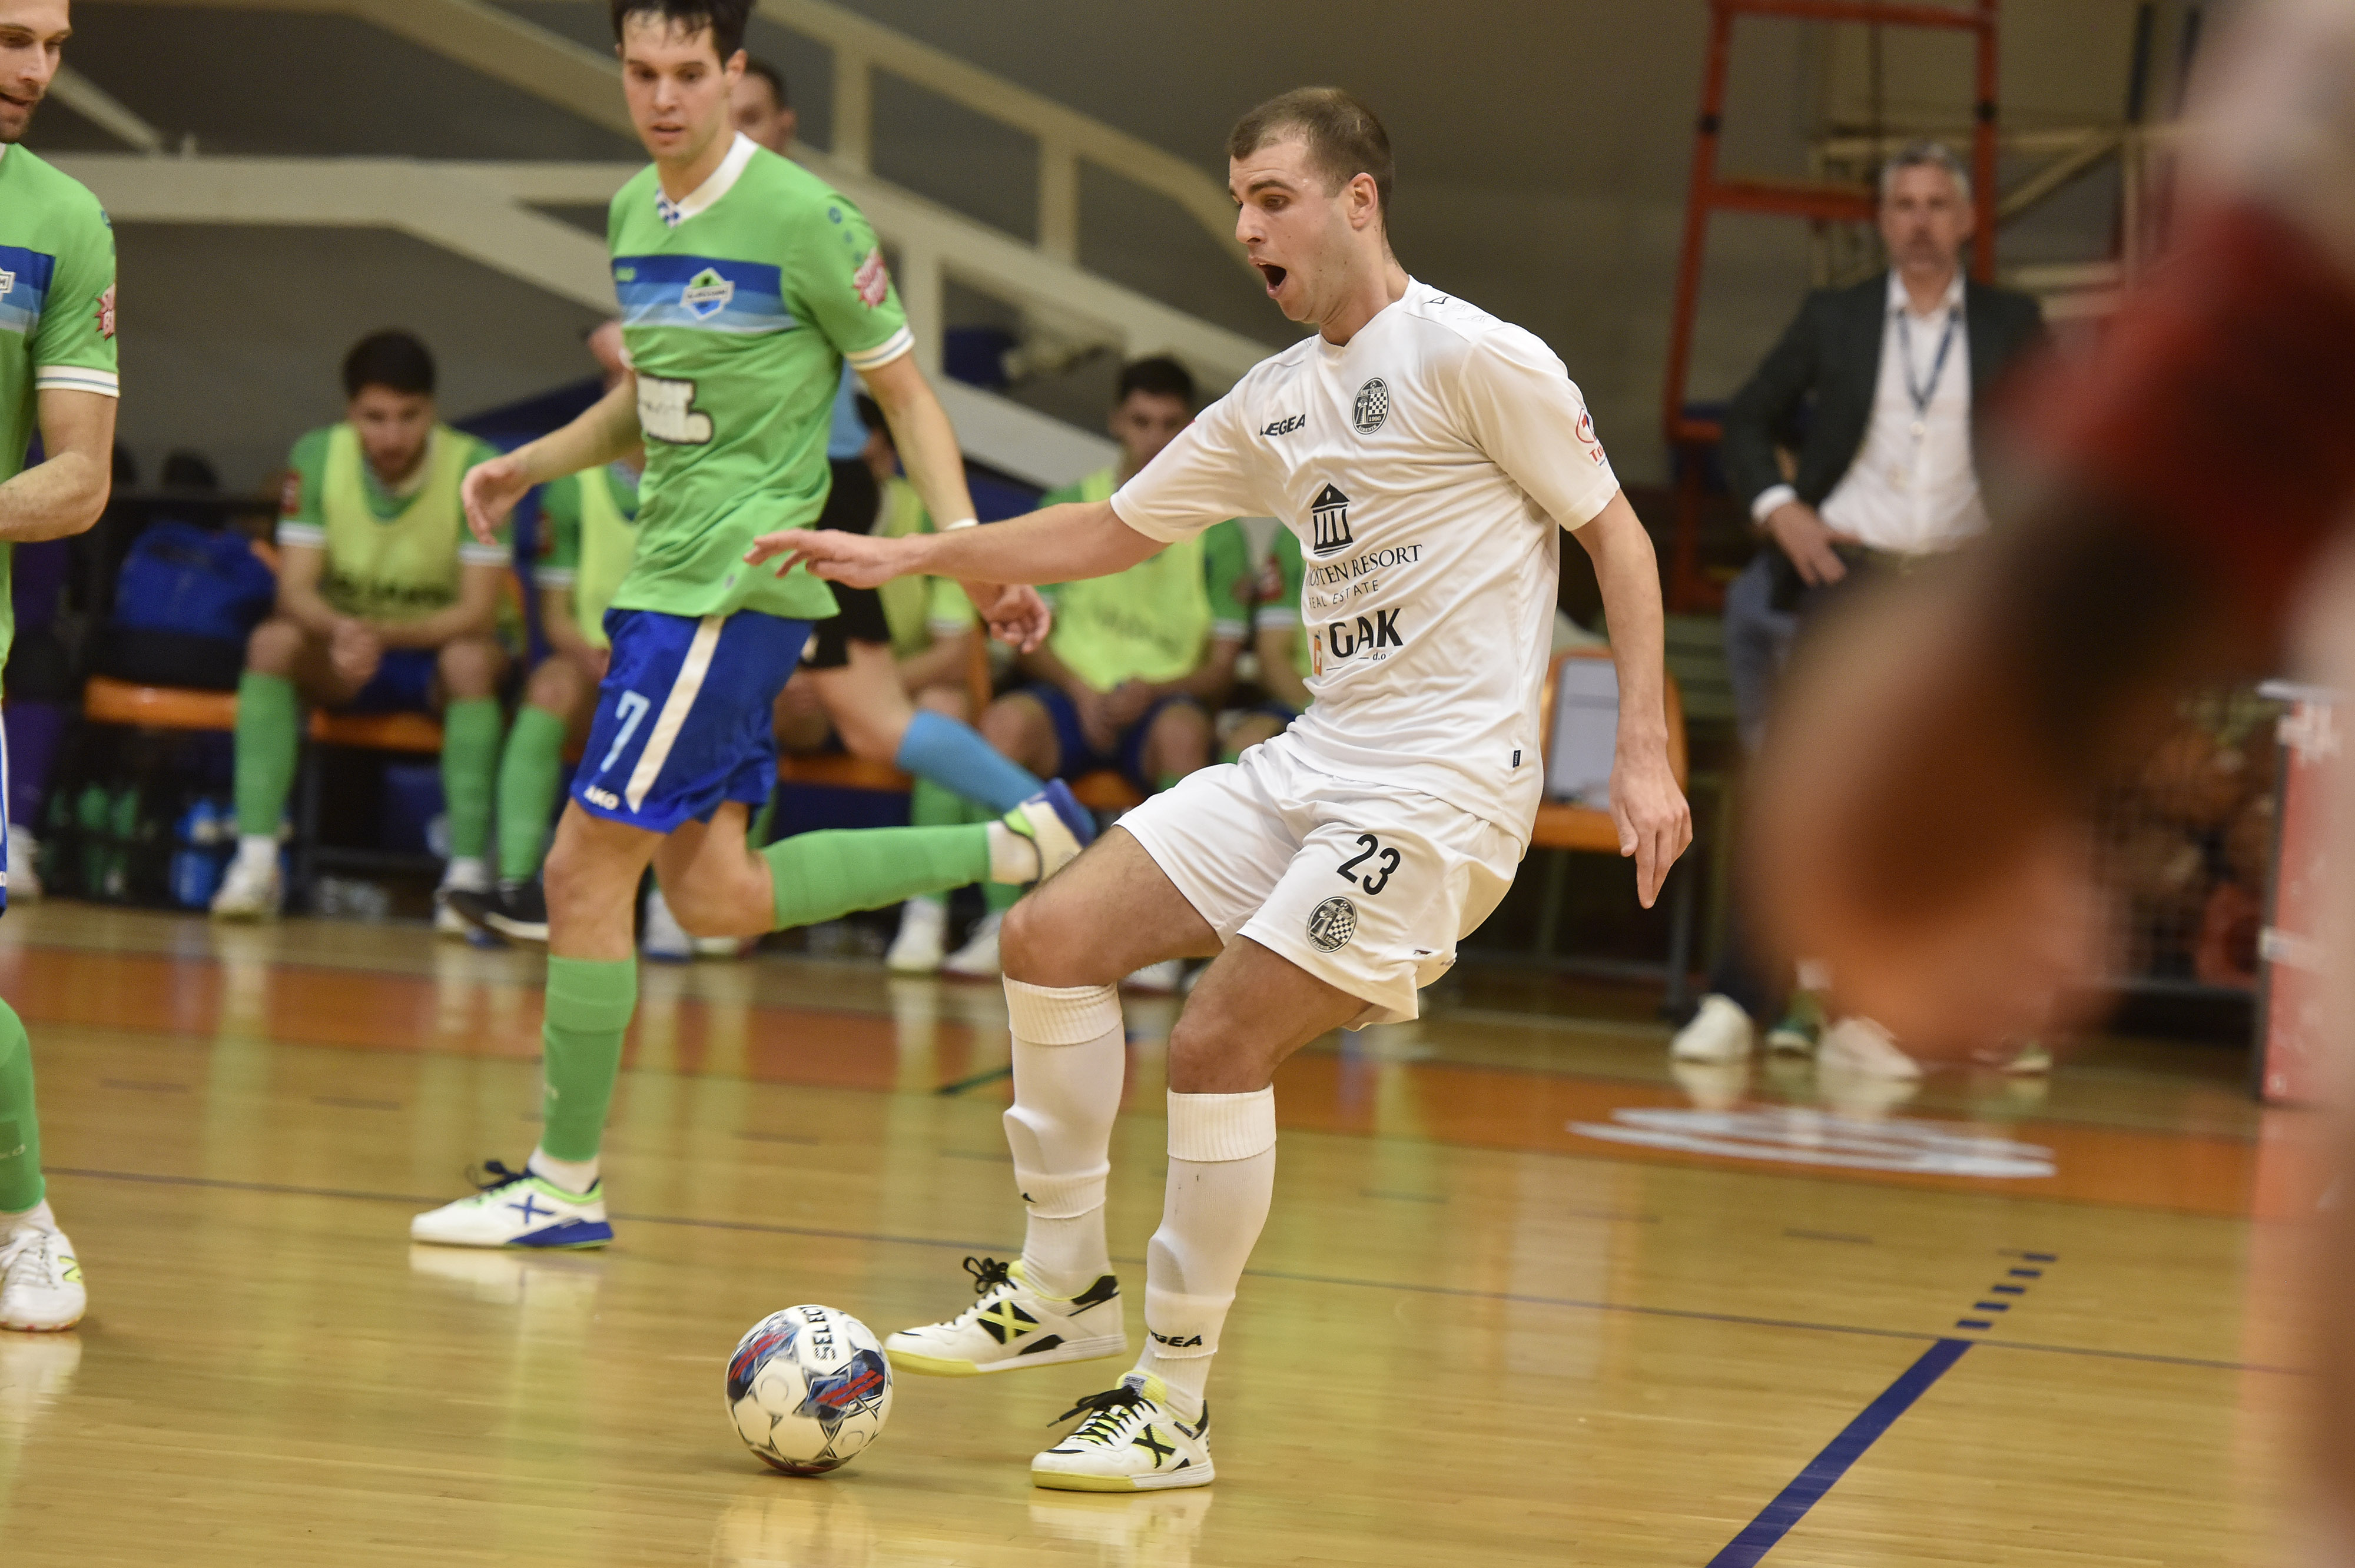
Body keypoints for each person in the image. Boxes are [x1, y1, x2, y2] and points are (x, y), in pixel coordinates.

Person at [753, 87, 1689, 1491]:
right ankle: (1061, 1285)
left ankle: (1171, 1406)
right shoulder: (1273, 399)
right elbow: (1109, 528)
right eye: (1238, 202)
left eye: (1272, 199)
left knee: (1214, 1039)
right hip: (1318, 760)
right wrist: (913, 556)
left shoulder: (1476, 358)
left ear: (1356, 201)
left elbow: (1618, 541)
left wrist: (1643, 749)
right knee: (1047, 938)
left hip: (1438, 792)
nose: (1247, 227)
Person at [1733, 0, 2355, 1530]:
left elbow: (2090, 577)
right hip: (1878, 580)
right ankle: (1766, 996)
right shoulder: (1835, 323)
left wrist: (1967, 779)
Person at [408, 0, 1086, 1251]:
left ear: (732, 74)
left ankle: (563, 1182)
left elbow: (909, 400)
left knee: (579, 872)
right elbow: (649, 401)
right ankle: (1017, 846)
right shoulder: (633, 212)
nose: (663, 98)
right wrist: (529, 463)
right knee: (715, 895)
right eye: (641, 73)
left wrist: (969, 557)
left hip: (729, 593)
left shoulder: (808, 221)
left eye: (687, 73)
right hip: (664, 586)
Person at [1671, 141, 2046, 1081]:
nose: (1920, 221)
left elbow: (2059, 443)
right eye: (1904, 204)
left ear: (1967, 221)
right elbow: (1746, 420)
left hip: (1959, 588)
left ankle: (1872, 1017)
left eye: (1937, 204)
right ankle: (1737, 998)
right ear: (1882, 221)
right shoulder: (1835, 317)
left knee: (1929, 801)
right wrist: (1780, 510)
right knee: (1800, 789)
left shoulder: (2011, 324)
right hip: (1850, 574)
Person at [935, 356, 1255, 989]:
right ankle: (996, 922)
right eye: (1140, 421)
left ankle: (1159, 944)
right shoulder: (1066, 505)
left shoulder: (1219, 531)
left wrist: (1153, 691)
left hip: (1160, 707)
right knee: (1002, 726)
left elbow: (1221, 670)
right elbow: (1027, 632)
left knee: (1186, 738)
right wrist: (1080, 690)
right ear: (1115, 422)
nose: (1153, 437)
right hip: (1069, 696)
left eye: (1168, 423)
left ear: (1190, 427)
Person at [207, 331, 510, 928]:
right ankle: (257, 862)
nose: (392, 436)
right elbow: (294, 591)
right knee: (272, 643)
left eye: (409, 417)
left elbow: (477, 612)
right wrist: (345, 632)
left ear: (433, 410)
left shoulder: (477, 466)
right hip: (344, 652)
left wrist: (375, 634)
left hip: (433, 658)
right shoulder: (317, 457)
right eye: (375, 418)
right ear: (350, 412)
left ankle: (466, 878)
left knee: (473, 660)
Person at [0, 0, 117, 1332]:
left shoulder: (61, 219)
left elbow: (81, 477)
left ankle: (26, 1221)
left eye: (53, 42)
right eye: (7, 37)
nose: (34, 69)